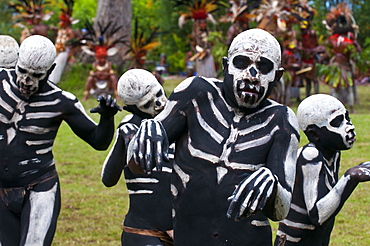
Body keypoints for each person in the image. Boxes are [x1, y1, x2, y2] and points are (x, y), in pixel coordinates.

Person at [128, 28, 300, 245]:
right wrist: (143, 138)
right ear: (225, 65)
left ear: (277, 76)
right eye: (242, 63)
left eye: (263, 67)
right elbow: (136, 165)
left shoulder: (281, 120)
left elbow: (281, 211)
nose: (252, 76)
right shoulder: (196, 95)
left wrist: (271, 184)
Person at [0, 35, 120, 245]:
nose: (26, 81)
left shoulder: (61, 102)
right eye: (23, 71)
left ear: (51, 70)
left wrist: (107, 118)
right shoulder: (1, 82)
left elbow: (98, 141)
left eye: (36, 75)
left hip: (39, 188)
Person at [275, 94, 370, 246]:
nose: (349, 127)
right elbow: (318, 215)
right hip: (297, 240)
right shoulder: (310, 156)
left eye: (347, 118)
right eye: (337, 123)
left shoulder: (333, 153)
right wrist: (350, 178)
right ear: (314, 134)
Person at [102, 68, 173, 245]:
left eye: (159, 94)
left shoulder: (178, 117)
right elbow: (108, 179)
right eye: (147, 104)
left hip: (184, 227)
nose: (159, 104)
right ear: (131, 109)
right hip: (144, 230)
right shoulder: (130, 128)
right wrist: (123, 140)